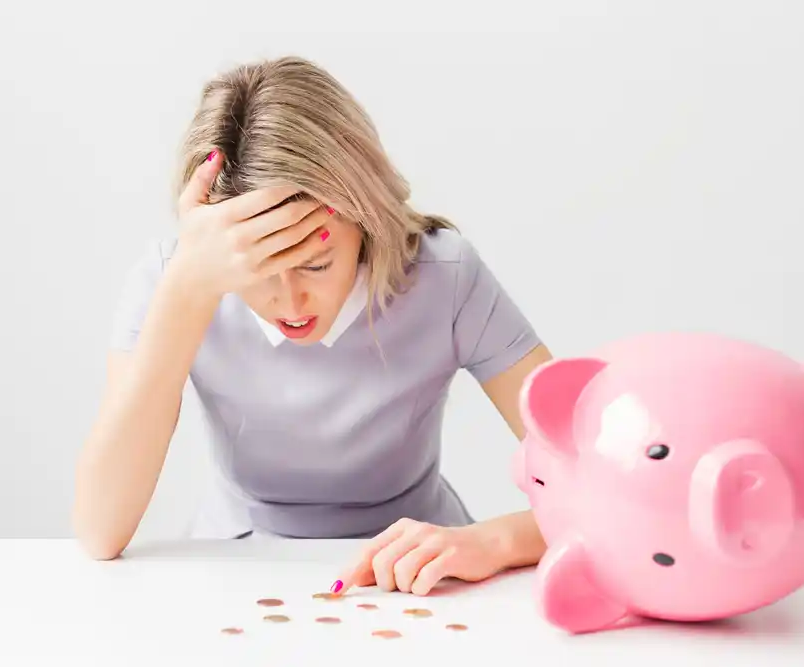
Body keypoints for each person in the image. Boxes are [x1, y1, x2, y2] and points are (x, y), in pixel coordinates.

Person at [73, 55, 553, 597]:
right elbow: (99, 530)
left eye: (317, 264)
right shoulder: (176, 280)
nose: (290, 300)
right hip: (236, 570)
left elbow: (597, 478)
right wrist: (186, 292)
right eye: (257, 271)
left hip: (418, 573)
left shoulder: (444, 275)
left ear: (366, 220)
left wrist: (494, 541)